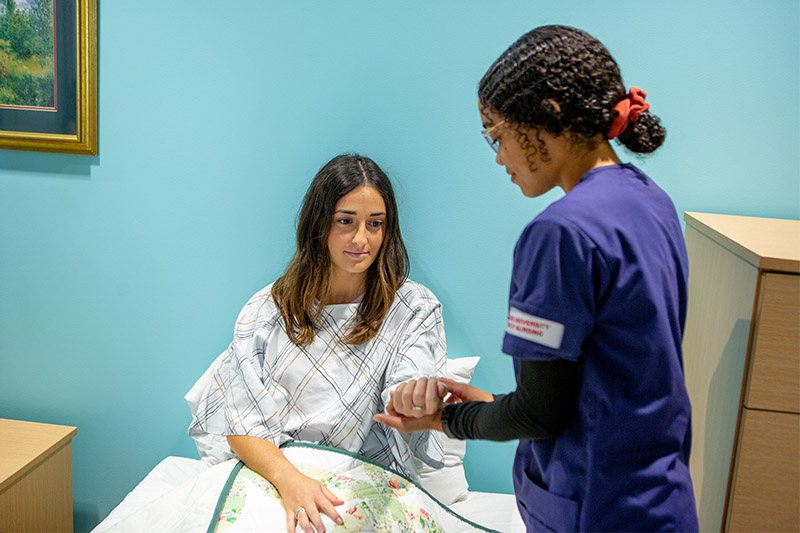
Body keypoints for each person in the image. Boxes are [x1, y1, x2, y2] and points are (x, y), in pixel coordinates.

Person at [375, 25, 699, 532]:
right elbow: (608, 378)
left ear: (546, 116)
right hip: (659, 501)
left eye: (496, 134)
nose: (500, 156)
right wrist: (488, 404)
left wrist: (443, 420)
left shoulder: (560, 234)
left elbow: (538, 415)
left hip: (593, 509)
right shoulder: (651, 202)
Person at [186, 154, 447, 533]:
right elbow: (241, 423)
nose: (362, 239)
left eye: (375, 224)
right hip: (275, 474)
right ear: (318, 224)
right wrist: (291, 482)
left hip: (369, 477)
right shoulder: (266, 311)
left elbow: (410, 378)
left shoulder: (413, 307)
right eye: (346, 222)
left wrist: (414, 399)